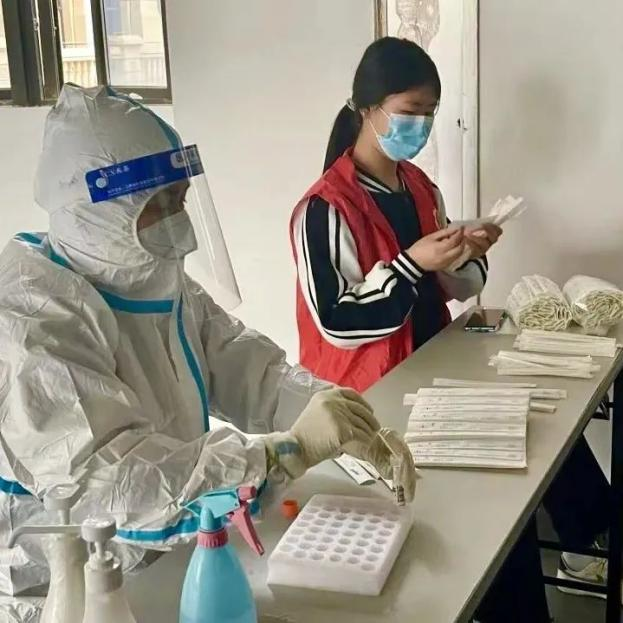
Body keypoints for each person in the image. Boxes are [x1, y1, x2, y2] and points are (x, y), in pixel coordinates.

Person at [0, 84, 416, 619]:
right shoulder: (30, 317)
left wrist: (335, 411)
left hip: (164, 551)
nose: (179, 221)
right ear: (98, 211)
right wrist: (281, 454)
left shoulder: (152, 278)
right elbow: (109, 487)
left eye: (180, 199)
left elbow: (245, 365)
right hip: (64, 593)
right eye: (158, 205)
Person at [291, 37, 502, 393]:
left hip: (429, 372)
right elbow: (336, 322)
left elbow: (456, 288)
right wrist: (412, 264)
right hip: (365, 394)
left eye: (430, 112)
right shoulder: (325, 207)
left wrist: (463, 253)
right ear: (366, 108)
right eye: (410, 110)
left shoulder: (421, 188)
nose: (421, 124)